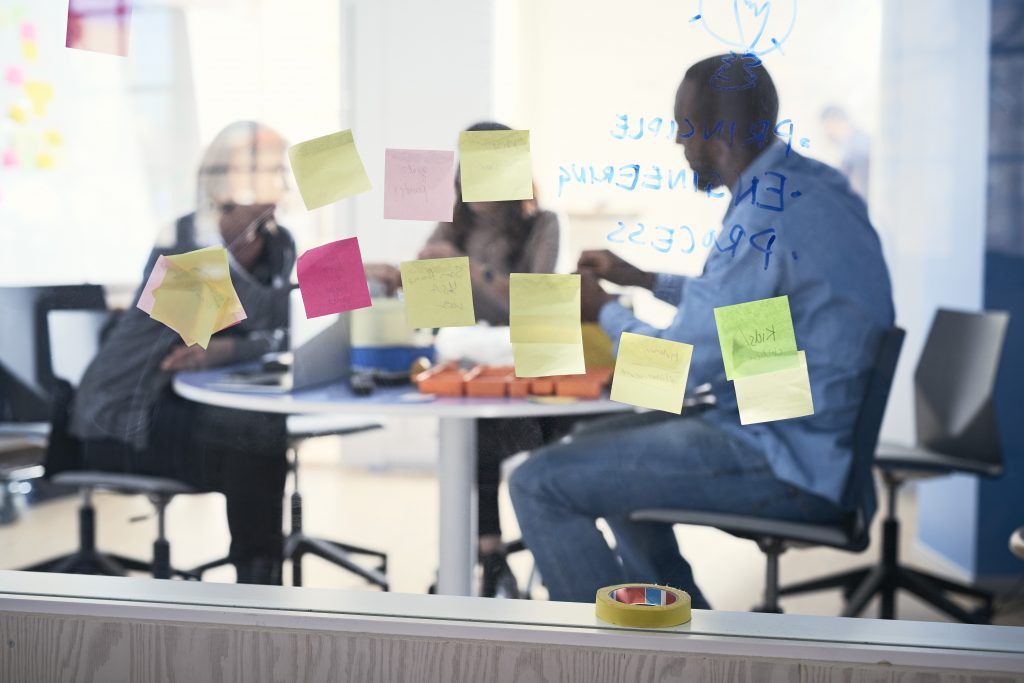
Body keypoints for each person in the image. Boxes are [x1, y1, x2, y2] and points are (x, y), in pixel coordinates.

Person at [509, 55, 894, 608]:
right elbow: (737, 307)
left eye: (683, 127)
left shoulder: (766, 218)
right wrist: (642, 279)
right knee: (597, 448)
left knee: (537, 482)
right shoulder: (803, 188)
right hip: (796, 424)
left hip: (788, 457)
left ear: (717, 135)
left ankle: (608, 659)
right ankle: (675, 643)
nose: (676, 143)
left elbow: (669, 374)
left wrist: (605, 310)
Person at [70, 121, 295, 584]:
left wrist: (224, 350)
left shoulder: (280, 244)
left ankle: (261, 576)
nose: (288, 181)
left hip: (190, 404)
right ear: (230, 176)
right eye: (274, 169)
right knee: (257, 435)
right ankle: (259, 585)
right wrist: (328, 277)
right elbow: (253, 315)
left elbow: (272, 337)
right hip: (128, 409)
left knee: (261, 433)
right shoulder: (184, 238)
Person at [369, 122, 566, 597]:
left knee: (476, 433)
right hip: (470, 373)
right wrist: (411, 280)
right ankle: (489, 555)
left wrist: (475, 271)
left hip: (528, 382)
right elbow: (438, 315)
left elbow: (531, 309)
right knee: (468, 426)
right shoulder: (454, 224)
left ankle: (486, 556)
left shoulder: (544, 225)